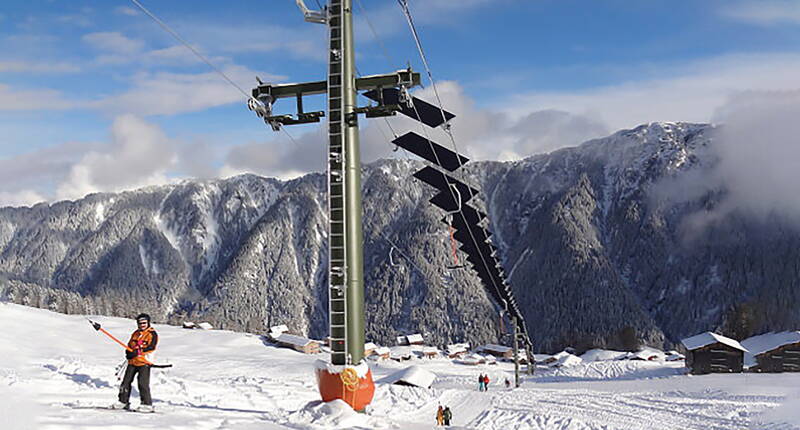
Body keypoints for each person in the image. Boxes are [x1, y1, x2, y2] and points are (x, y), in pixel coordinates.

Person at [110, 313, 158, 412]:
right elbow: (130, 345)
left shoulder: (152, 334)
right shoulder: (135, 333)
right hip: (133, 361)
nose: (142, 325)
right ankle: (123, 401)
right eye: (140, 323)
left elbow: (152, 347)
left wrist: (139, 352)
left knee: (142, 383)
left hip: (144, 362)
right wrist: (129, 352)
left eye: (144, 323)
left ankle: (147, 403)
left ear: (148, 323)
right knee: (125, 382)